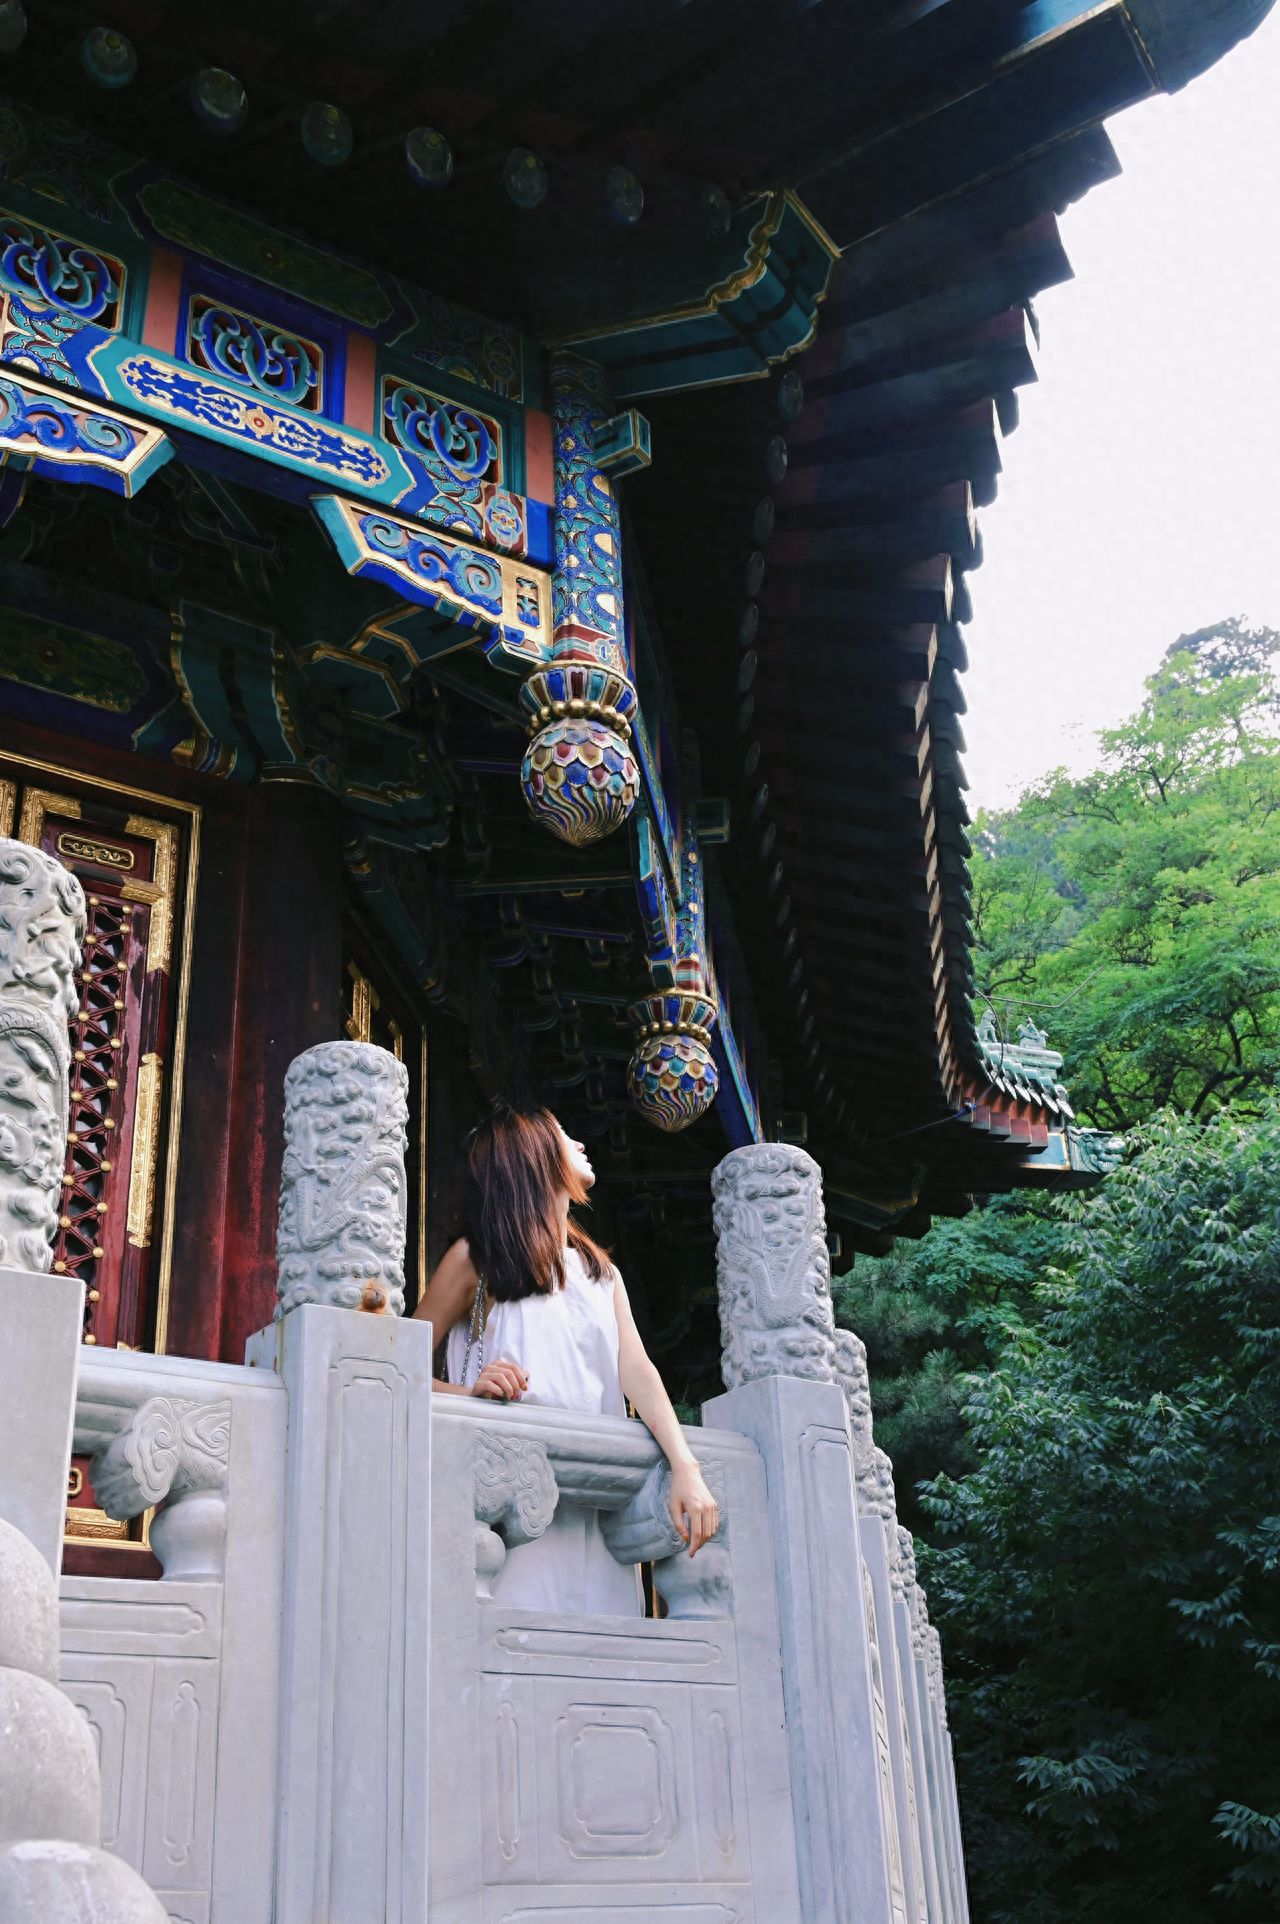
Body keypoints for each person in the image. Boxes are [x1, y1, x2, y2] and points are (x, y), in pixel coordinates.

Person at [414, 1104, 719, 1615]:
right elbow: (394, 1369)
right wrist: (472, 1395)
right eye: (562, 1135)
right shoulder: (476, 1260)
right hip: (512, 1517)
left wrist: (685, 1466)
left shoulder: (602, 1272)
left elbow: (638, 1372)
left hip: (597, 1513)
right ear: (531, 1157)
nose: (578, 1143)